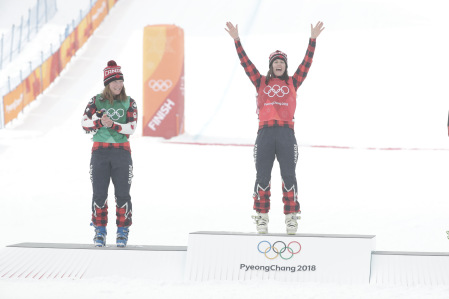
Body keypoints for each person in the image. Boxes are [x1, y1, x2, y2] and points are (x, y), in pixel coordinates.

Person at [225, 21, 325, 234]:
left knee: (289, 175)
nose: (278, 65)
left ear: (285, 66)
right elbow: (246, 63)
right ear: (270, 66)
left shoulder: (293, 81)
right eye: (275, 62)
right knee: (262, 176)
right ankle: (262, 217)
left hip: (286, 134)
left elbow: (307, 63)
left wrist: (312, 40)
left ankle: (291, 217)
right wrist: (237, 40)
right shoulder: (260, 81)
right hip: (265, 134)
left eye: (282, 62)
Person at [81, 60, 138, 247]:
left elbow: (131, 128)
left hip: (122, 152)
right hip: (100, 152)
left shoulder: (130, 102)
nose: (118, 85)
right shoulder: (96, 101)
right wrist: (99, 122)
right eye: (114, 82)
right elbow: (85, 123)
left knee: (123, 194)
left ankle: (122, 231)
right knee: (99, 193)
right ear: (107, 83)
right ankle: (100, 230)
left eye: (120, 81)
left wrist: (112, 124)